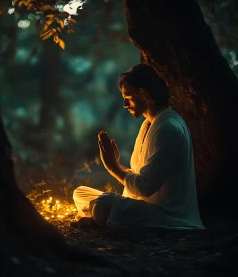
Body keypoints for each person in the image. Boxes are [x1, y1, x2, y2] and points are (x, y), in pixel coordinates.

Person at [71, 63, 205, 230]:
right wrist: (119, 166)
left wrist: (113, 168)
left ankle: (95, 217)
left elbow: (144, 187)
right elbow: (141, 177)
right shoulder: (148, 124)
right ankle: (96, 216)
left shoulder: (168, 128)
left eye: (128, 97)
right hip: (143, 206)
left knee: (104, 203)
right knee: (80, 192)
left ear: (143, 93)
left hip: (166, 215)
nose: (125, 105)